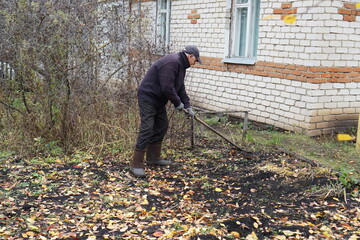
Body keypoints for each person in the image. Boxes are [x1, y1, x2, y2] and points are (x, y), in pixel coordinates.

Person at [130, 45, 202, 178]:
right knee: (147, 128)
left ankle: (153, 158)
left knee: (162, 125)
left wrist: (187, 105)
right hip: (148, 97)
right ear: (190, 56)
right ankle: (136, 164)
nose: (195, 63)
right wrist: (178, 103)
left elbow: (180, 88)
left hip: (158, 100)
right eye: (196, 60)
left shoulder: (181, 66)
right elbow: (167, 87)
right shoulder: (172, 62)